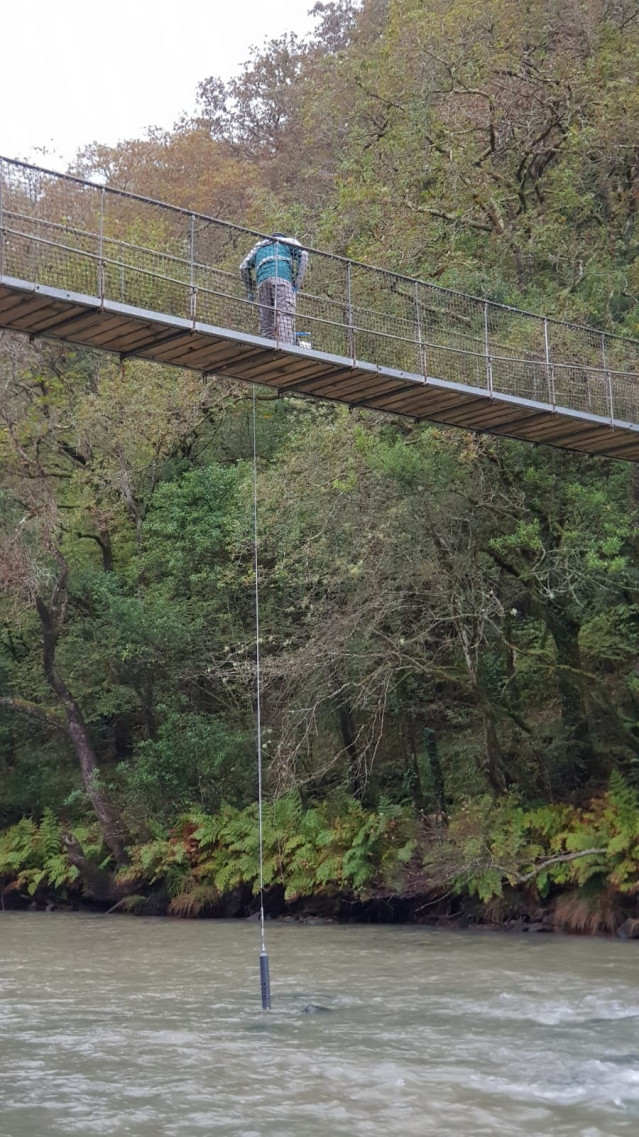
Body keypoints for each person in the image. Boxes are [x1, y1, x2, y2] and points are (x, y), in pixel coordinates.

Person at [240, 232, 308, 345]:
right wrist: (297, 282)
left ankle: (267, 345)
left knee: (266, 317)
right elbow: (304, 255)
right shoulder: (288, 242)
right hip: (282, 279)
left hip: (262, 283)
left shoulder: (259, 247)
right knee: (285, 313)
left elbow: (243, 267)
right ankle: (286, 345)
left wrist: (250, 290)